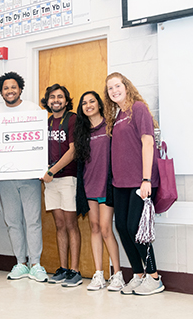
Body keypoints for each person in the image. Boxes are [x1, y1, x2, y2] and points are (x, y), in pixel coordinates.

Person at [104, 72, 164, 295]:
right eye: (110, 88)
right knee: (121, 227)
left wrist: (146, 179)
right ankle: (138, 275)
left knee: (135, 228)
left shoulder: (138, 108)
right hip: (120, 183)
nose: (114, 91)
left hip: (141, 181)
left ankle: (154, 276)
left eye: (117, 86)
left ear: (126, 86)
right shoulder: (118, 115)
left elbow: (148, 143)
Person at [0, 72, 48, 282]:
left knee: (33, 221)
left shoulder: (33, 110)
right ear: (1, 91)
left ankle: (36, 264)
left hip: (30, 177)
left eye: (13, 87)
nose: (10, 91)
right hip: (5, 178)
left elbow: (41, 142)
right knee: (12, 221)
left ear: (20, 89)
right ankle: (20, 263)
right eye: (6, 88)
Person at [74, 91, 125, 291]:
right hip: (88, 186)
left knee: (105, 228)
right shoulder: (82, 131)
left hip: (108, 186)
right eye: (84, 102)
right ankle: (98, 274)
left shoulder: (111, 126)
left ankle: (118, 274)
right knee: (94, 227)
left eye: (92, 101)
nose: (88, 105)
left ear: (99, 104)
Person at [40, 84, 82, 287]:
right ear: (47, 101)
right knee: (59, 225)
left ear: (66, 100)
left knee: (71, 224)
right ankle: (63, 268)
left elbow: (73, 151)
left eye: (60, 97)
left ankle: (75, 271)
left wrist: (52, 171)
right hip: (50, 181)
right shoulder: (45, 122)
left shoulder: (73, 119)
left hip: (67, 178)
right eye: (52, 97)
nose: (56, 100)